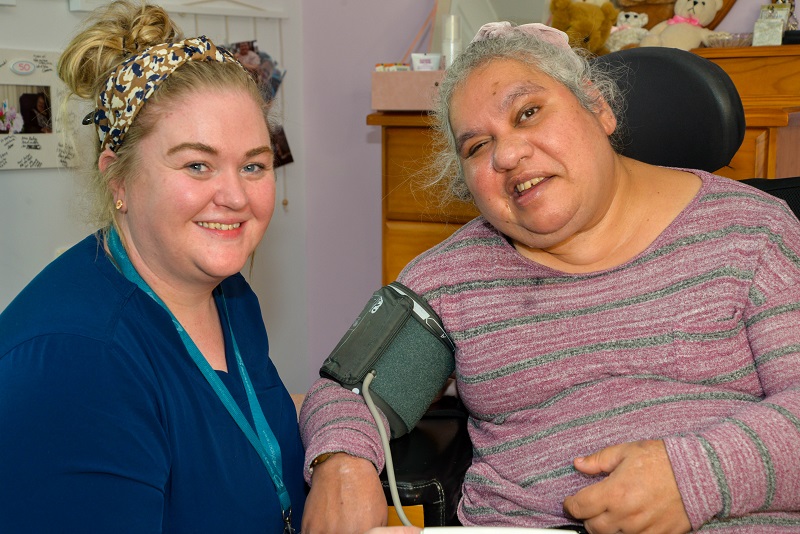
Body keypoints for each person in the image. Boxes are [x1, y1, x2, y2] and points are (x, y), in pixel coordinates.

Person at [299, 22, 800, 534]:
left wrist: (696, 478)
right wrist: (341, 464)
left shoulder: (751, 230)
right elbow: (352, 390)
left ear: (596, 106)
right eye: (476, 147)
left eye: (528, 113)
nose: (507, 155)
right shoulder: (453, 278)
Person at [0, 1, 305, 532]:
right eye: (196, 165)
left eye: (253, 165)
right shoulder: (79, 360)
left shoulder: (225, 293)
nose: (235, 196)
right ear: (118, 181)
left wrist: (341, 455)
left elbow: (248, 433)